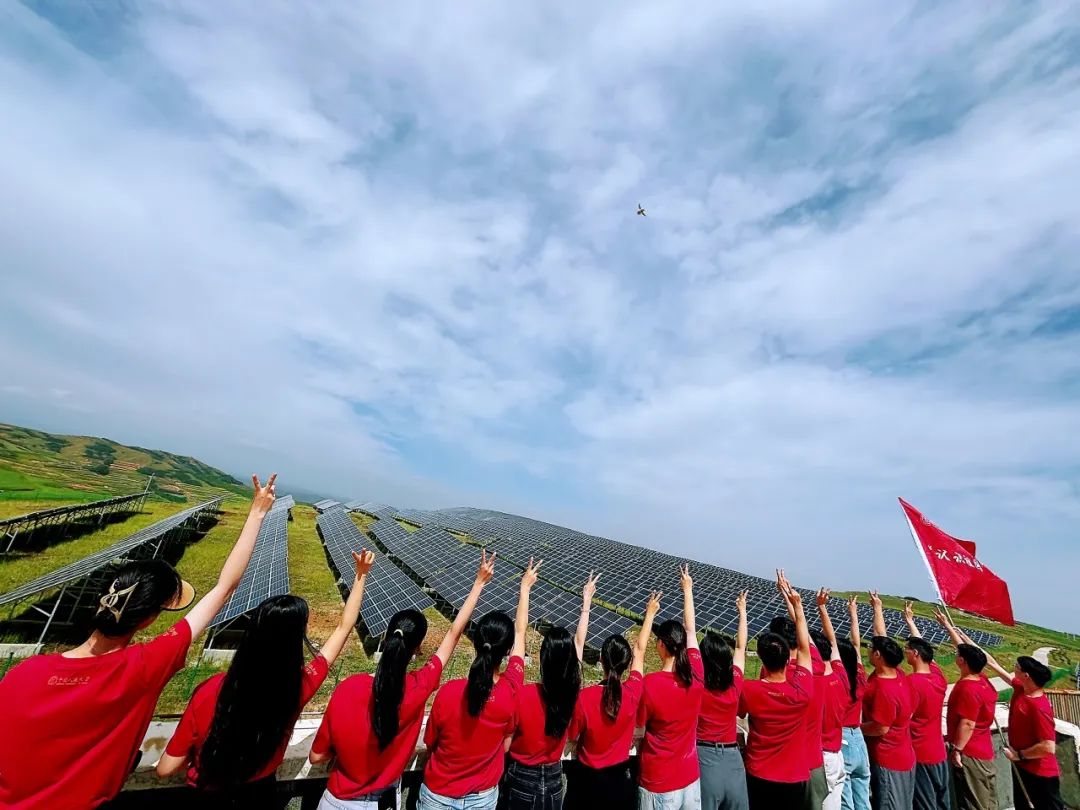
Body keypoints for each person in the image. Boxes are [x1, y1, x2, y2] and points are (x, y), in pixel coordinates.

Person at [0, 474, 277, 809]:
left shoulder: (23, 673)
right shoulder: (143, 668)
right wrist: (257, 513)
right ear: (148, 618)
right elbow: (225, 588)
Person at [157, 548, 377, 807]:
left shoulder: (211, 690)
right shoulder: (298, 686)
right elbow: (343, 628)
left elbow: (166, 768)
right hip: (261, 795)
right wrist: (361, 575)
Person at [308, 550, 497, 810]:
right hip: (384, 802)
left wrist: (361, 575)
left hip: (337, 802)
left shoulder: (349, 688)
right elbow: (453, 635)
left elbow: (317, 756)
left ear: (386, 638)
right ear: (418, 648)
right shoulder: (420, 686)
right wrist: (478, 584)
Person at [419, 557, 540, 810]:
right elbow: (520, 633)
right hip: (482, 799)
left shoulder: (450, 692)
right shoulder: (510, 691)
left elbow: (430, 743)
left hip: (437, 796)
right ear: (507, 651)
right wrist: (525, 589)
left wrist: (478, 583)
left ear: (475, 642)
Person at [500, 572, 598, 810]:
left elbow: (520, 633)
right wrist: (586, 602)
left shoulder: (524, 695)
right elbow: (578, 643)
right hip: (554, 782)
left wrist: (524, 590)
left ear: (543, 659)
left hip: (521, 779)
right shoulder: (571, 695)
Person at [565, 591, 660, 810]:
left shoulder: (586, 697)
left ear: (601, 659)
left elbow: (572, 736)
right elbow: (640, 651)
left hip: (587, 785)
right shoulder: (633, 692)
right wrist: (650, 614)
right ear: (627, 663)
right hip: (620, 784)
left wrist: (586, 603)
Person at [953, 628, 1063, 810]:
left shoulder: (1039, 707)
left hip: (1040, 773)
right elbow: (992, 663)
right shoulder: (1021, 688)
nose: (1013, 669)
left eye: (1016, 668)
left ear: (1026, 675)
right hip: (1022, 766)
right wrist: (966, 640)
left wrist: (1019, 755)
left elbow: (1048, 747)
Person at [738, 570, 814, 809]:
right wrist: (798, 607)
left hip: (758, 771)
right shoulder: (802, 691)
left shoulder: (750, 689)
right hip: (794, 776)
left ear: (760, 658)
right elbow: (805, 648)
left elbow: (739, 713)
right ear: (788, 660)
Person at [637, 564, 705, 810]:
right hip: (690, 780)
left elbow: (638, 653)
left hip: (660, 781)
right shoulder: (696, 674)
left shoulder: (652, 684)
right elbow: (691, 630)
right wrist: (688, 589)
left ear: (661, 645)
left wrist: (649, 614)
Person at [935, 611, 997, 810]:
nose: (956, 656)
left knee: (973, 802)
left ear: (962, 662)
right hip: (985, 750)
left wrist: (957, 750)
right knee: (988, 801)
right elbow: (966, 651)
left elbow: (968, 723)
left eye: (958, 656)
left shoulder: (967, 688)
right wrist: (948, 627)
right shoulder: (984, 681)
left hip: (970, 753)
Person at [861, 591, 916, 810]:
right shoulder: (897, 674)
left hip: (888, 759)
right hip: (902, 754)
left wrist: (854, 728)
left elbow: (880, 727)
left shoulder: (884, 689)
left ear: (878, 656)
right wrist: (877, 608)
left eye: (870, 649)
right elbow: (881, 637)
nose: (868, 650)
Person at [696, 590, 750, 810]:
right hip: (733, 759)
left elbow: (689, 637)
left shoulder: (697, 687)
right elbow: (740, 647)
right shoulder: (735, 683)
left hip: (703, 758)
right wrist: (742, 612)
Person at [902, 603, 950, 810]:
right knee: (942, 802)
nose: (905, 654)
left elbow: (904, 717)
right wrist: (910, 621)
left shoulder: (912, 682)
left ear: (914, 654)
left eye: (906, 650)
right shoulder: (939, 678)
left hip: (920, 752)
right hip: (938, 751)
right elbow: (925, 649)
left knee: (925, 804)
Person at [817, 589, 852, 810]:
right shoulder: (841, 675)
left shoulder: (814, 683)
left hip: (822, 759)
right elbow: (833, 642)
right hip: (837, 755)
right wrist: (822, 607)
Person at [839, 596, 871, 810]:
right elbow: (856, 645)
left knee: (846, 803)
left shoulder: (837, 683)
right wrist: (853, 614)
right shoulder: (860, 676)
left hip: (842, 740)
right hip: (859, 739)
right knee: (863, 800)